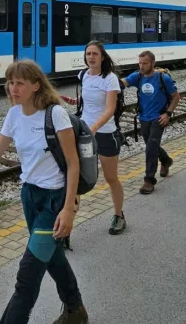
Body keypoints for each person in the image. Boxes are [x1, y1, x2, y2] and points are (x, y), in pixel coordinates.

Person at [0, 60, 89, 324]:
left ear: (36, 86)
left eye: (20, 83)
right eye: (10, 82)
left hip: (54, 200)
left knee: (27, 276)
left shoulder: (54, 114)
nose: (13, 88)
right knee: (52, 256)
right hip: (30, 196)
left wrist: (68, 208)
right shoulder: (14, 115)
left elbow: (72, 163)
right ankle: (76, 311)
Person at [61, 41, 126, 234]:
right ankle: (67, 225)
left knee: (111, 178)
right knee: (77, 178)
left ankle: (119, 215)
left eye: (94, 54)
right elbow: (90, 98)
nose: (90, 57)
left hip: (105, 134)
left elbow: (110, 109)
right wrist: (76, 101)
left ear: (102, 57)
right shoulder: (83, 75)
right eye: (88, 54)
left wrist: (94, 128)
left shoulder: (110, 78)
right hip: (85, 134)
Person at [122, 51, 180, 194]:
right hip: (144, 117)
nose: (141, 66)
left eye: (145, 63)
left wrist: (167, 114)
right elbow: (122, 83)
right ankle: (166, 160)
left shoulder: (162, 78)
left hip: (158, 118)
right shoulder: (138, 76)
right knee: (151, 145)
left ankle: (149, 180)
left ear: (153, 63)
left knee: (150, 148)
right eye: (140, 63)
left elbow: (176, 97)